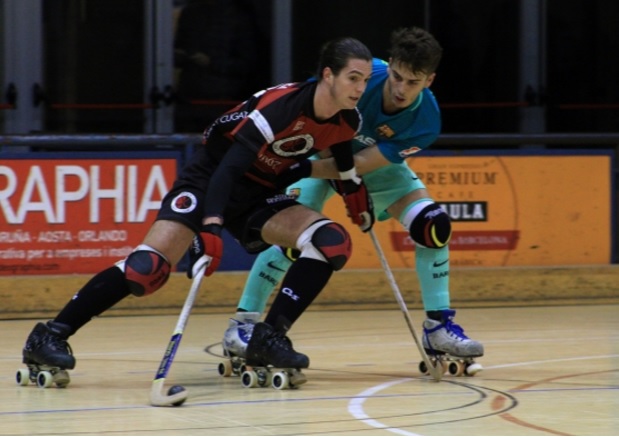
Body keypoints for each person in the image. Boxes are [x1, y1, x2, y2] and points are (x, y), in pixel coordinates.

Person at [21, 37, 374, 375]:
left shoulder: (348, 118)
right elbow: (228, 170)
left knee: (330, 241)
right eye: (353, 78)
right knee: (146, 269)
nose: (359, 89)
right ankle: (50, 334)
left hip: (259, 192)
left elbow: (341, 151)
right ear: (328, 75)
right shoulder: (281, 109)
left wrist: (352, 187)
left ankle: (268, 338)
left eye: (365, 81)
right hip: (210, 179)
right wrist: (211, 227)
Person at [222, 27, 484, 366]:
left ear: (429, 80)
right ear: (389, 64)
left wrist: (348, 182)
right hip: (316, 155)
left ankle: (438, 328)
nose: (401, 89)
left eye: (413, 82)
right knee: (292, 240)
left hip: (369, 168)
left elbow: (361, 164)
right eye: (397, 77)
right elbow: (315, 114)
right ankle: (243, 325)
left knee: (434, 226)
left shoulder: (427, 121)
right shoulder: (361, 76)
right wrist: (306, 169)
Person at [173, 0, 261, 132]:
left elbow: (247, 64)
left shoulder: (238, 17)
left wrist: (211, 62)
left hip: (222, 99)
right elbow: (178, 49)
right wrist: (180, 56)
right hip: (189, 98)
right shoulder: (191, 13)